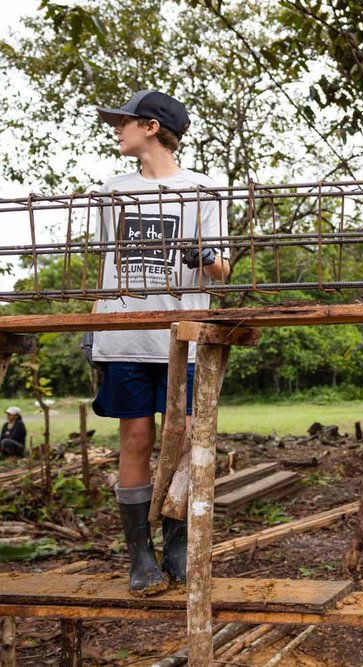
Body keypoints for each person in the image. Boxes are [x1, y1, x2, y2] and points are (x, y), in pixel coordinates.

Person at [92, 90, 230, 596]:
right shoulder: (111, 191)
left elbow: (222, 269)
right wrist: (94, 330)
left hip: (183, 335)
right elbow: (108, 265)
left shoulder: (204, 190)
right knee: (135, 439)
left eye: (123, 122)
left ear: (150, 127)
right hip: (126, 333)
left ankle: (178, 541)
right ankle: (140, 554)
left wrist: (203, 257)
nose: (116, 129)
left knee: (189, 437)